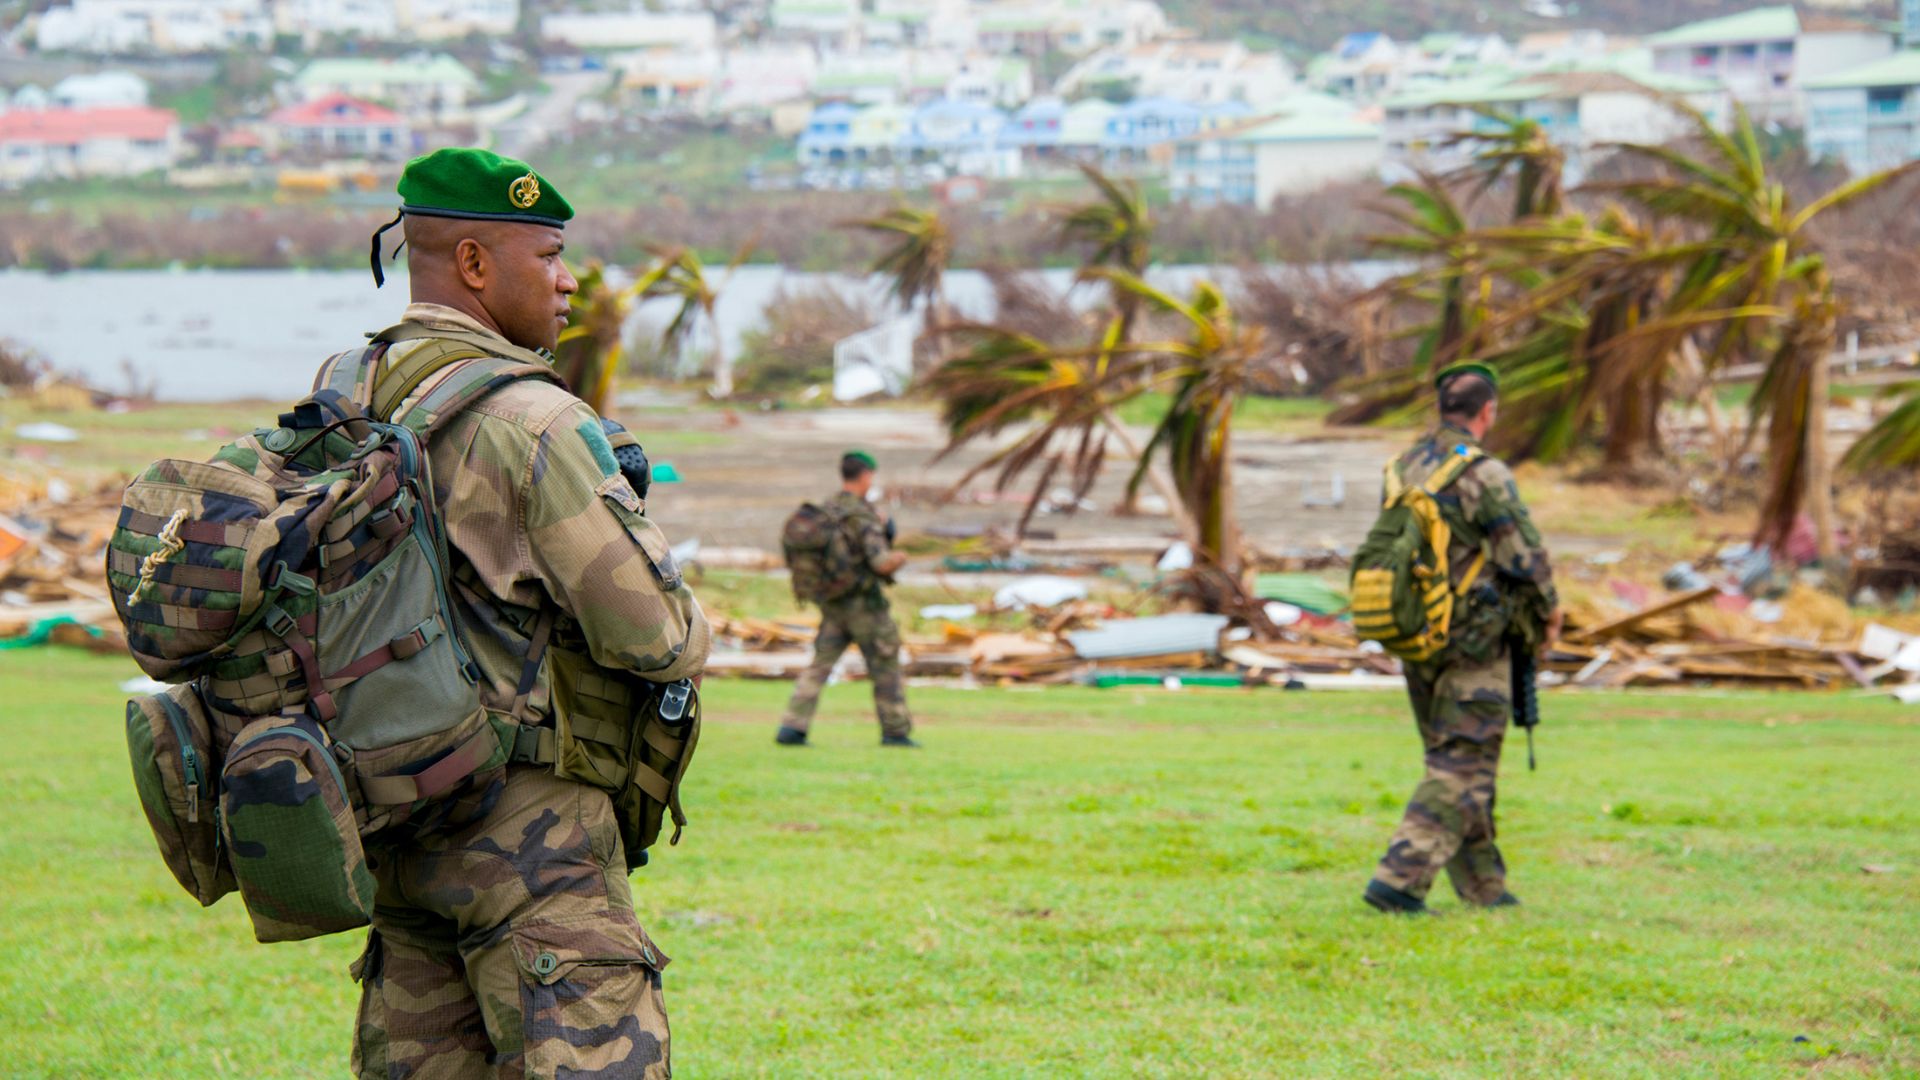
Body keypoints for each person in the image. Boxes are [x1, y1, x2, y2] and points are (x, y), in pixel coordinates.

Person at [348, 148, 709, 1078]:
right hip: (529, 839)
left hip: (394, 823)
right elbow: (653, 636)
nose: (569, 278)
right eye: (548, 254)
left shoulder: (349, 391)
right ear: (475, 264)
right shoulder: (532, 423)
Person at [1363, 363, 1560, 916]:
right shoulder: (1483, 473)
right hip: (1476, 640)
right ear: (1487, 411)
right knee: (1462, 762)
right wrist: (1548, 614)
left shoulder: (1403, 467)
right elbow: (1522, 557)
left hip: (1416, 634)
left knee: (1453, 760)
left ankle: (1482, 885)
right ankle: (1398, 879)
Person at [775, 450, 918, 747]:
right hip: (865, 606)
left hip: (833, 603)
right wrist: (901, 556)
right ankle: (895, 731)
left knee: (820, 665)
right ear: (866, 475)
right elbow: (880, 563)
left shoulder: (827, 510)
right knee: (885, 665)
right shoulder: (862, 515)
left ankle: (792, 727)